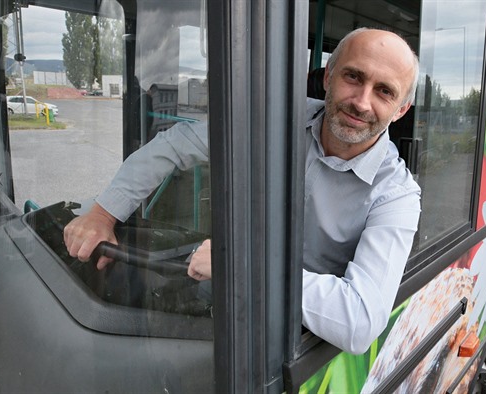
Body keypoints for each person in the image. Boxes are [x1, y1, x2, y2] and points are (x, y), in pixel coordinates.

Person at [64, 28, 421, 354]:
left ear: (401, 109)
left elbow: (359, 322)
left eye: (384, 91)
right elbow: (174, 145)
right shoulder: (274, 119)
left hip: (289, 343)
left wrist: (243, 268)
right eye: (353, 76)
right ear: (329, 76)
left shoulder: (396, 196)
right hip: (217, 306)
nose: (361, 101)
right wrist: (103, 214)